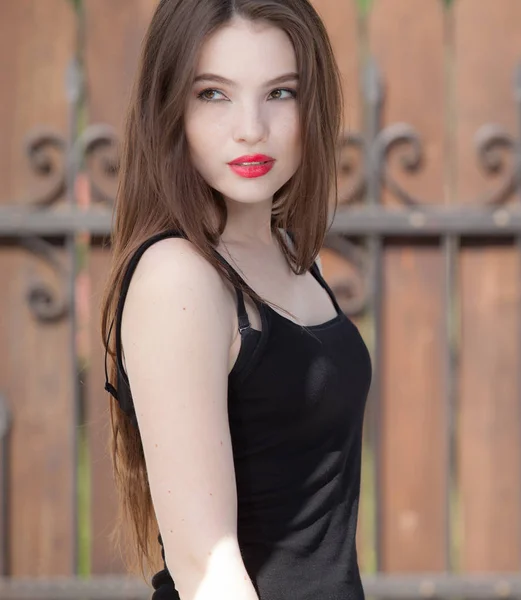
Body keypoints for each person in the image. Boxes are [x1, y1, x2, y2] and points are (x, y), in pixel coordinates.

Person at [100, 1, 372, 599]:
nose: (250, 127)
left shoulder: (291, 254)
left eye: (280, 93)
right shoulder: (180, 277)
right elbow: (208, 567)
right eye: (214, 94)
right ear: (169, 108)